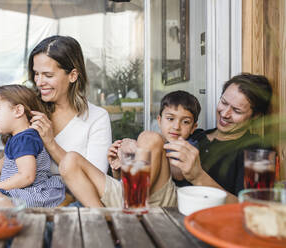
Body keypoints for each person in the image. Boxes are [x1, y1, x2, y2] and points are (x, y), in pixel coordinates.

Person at [59, 90, 201, 207]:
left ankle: (131, 210)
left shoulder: (188, 147)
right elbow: (125, 180)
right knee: (69, 161)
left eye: (185, 122)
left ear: (194, 127)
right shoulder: (152, 144)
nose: (176, 126)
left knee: (148, 137)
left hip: (160, 201)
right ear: (159, 120)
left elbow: (179, 174)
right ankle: (104, 218)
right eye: (170, 119)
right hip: (128, 197)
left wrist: (138, 149)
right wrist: (119, 168)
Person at [165, 73, 273, 203]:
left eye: (237, 110)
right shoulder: (196, 136)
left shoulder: (258, 152)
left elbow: (253, 208)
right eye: (223, 102)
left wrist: (198, 176)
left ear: (255, 116)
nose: (225, 113)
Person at [28, 35, 112, 177]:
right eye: (36, 74)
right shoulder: (31, 109)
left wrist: (51, 143)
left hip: (74, 197)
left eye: (48, 75)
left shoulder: (97, 117)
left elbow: (97, 179)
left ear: (73, 75)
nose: (39, 82)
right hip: (29, 195)